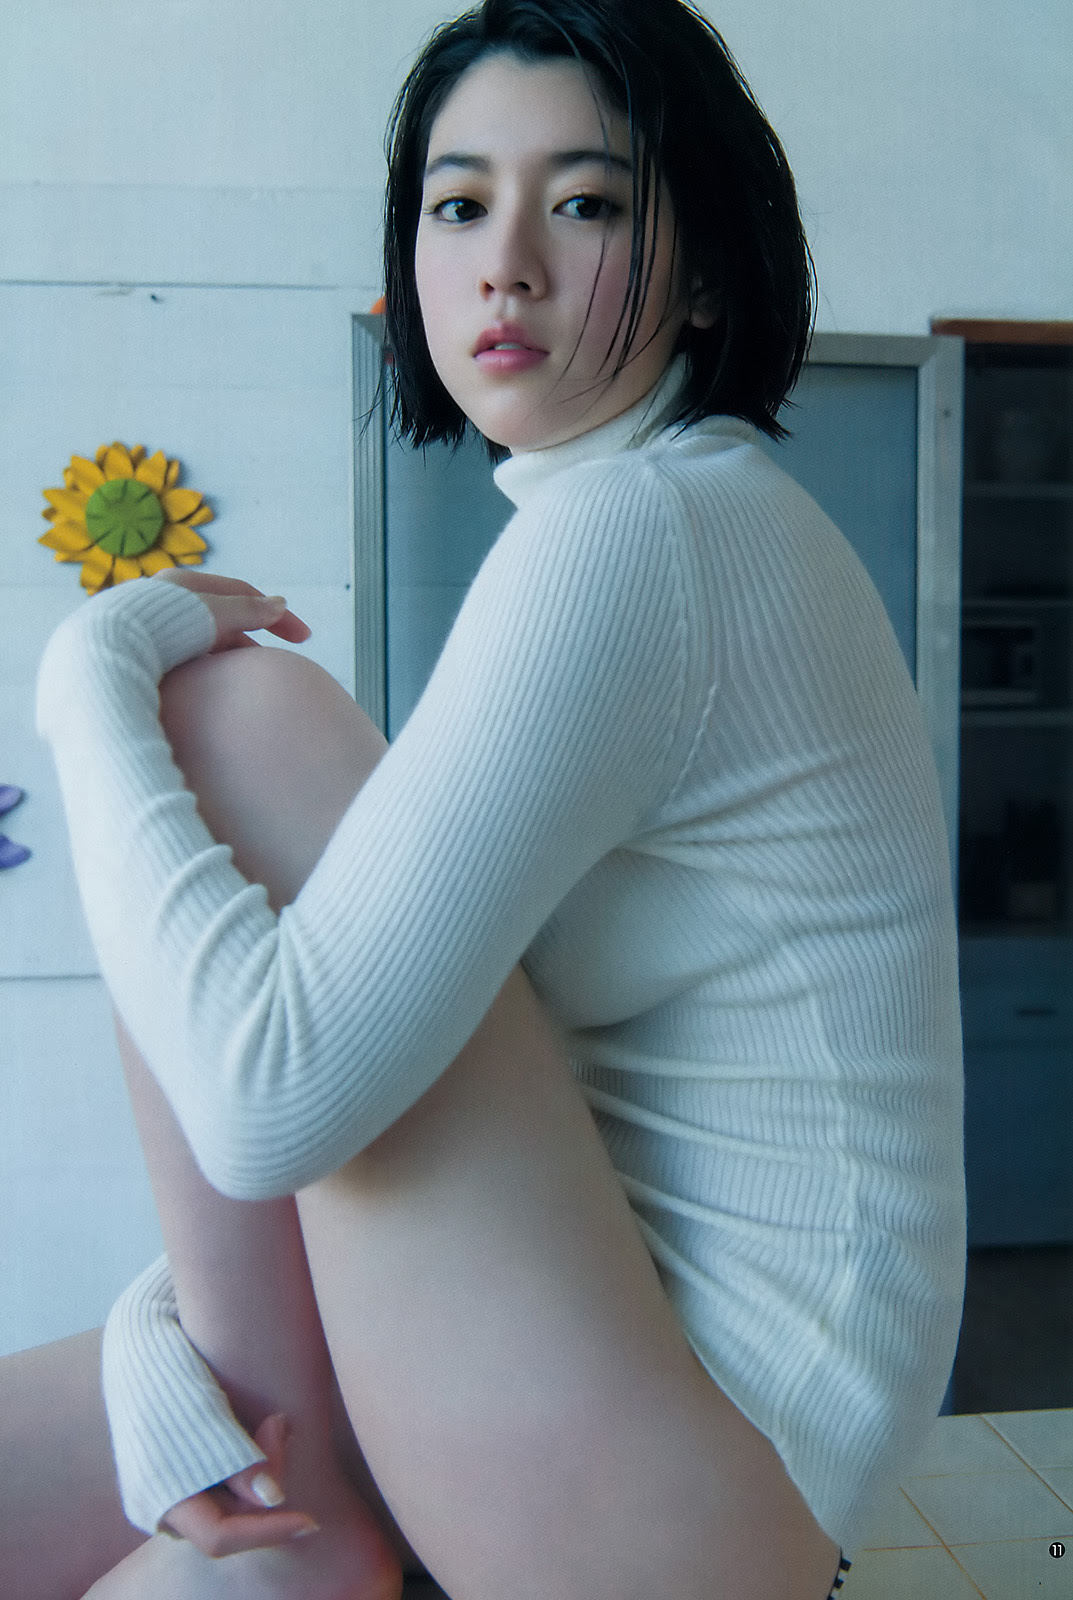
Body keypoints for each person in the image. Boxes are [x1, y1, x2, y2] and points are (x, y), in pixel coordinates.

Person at [6, 0, 964, 1596]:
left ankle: (294, 1487)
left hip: (681, 1504)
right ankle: (267, 1436)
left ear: (705, 272)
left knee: (226, 707)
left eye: (582, 203)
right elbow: (388, 1055)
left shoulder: (645, 534)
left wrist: (86, 670)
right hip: (649, 1445)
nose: (503, 265)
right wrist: (156, 1328)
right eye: (458, 206)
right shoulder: (655, 521)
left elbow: (272, 1098)